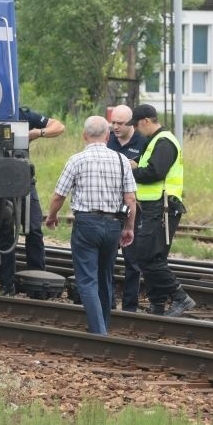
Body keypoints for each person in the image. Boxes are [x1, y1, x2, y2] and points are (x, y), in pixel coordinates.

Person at [44, 116, 136, 335]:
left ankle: (99, 332)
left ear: (84, 136)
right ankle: (103, 326)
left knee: (87, 280)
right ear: (107, 135)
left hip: (86, 224)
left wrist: (52, 216)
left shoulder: (76, 160)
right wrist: (129, 227)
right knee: (105, 278)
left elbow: (59, 196)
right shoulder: (122, 161)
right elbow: (131, 200)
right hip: (114, 224)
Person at [127, 104, 194, 317]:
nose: (136, 130)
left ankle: (181, 298)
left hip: (162, 206)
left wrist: (134, 171)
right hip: (154, 206)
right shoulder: (154, 140)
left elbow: (155, 172)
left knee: (146, 256)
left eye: (136, 125)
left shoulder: (164, 142)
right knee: (154, 258)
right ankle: (157, 305)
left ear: (146, 121)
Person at [0, 107, 65, 295]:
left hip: (24, 179)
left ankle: (38, 282)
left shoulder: (22, 113)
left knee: (34, 229)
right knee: (5, 233)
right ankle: (6, 285)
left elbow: (59, 126)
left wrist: (37, 133)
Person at [107, 105, 148, 312]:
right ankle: (109, 303)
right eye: (113, 122)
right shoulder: (107, 140)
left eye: (120, 123)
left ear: (131, 123)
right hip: (109, 206)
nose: (115, 127)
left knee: (132, 261)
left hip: (134, 206)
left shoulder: (143, 142)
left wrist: (137, 168)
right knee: (108, 258)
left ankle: (130, 307)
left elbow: (152, 172)